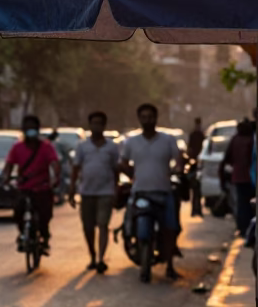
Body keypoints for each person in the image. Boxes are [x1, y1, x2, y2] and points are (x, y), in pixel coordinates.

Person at [121, 103, 183, 281]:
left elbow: (178, 160)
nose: (147, 120)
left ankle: (170, 265)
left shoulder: (168, 140)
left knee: (170, 228)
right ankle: (141, 257)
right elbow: (123, 163)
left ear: (156, 118)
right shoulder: (131, 142)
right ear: (139, 119)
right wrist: (133, 175)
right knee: (137, 226)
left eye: (150, 117)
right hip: (140, 193)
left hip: (164, 192)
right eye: (144, 117)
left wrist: (178, 169)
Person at [69, 111, 120, 272]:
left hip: (106, 191)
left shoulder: (112, 147)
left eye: (99, 123)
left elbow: (116, 169)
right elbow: (76, 169)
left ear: (104, 126)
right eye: (94, 123)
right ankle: (92, 254)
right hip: (86, 192)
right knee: (88, 227)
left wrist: (116, 189)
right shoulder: (82, 147)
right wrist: (71, 191)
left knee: (103, 225)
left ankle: (101, 259)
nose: (96, 126)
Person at [3, 114, 60, 254]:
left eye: (33, 128)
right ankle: (23, 235)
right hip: (24, 187)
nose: (30, 131)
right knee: (18, 211)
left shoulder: (46, 147)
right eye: (27, 128)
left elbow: (55, 163)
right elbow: (9, 165)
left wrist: (55, 178)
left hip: (42, 187)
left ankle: (44, 238)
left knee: (45, 214)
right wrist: (6, 178)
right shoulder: (17, 147)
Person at [220, 118, 255, 237]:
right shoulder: (252, 140)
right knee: (249, 205)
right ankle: (247, 229)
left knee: (241, 205)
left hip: (239, 177)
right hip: (251, 178)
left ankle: (243, 229)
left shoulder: (236, 139)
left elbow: (226, 159)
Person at [186, 117, 205, 218]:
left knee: (196, 188)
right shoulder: (199, 134)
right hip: (196, 164)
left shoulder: (197, 134)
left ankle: (196, 210)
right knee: (195, 188)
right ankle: (196, 210)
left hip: (198, 163)